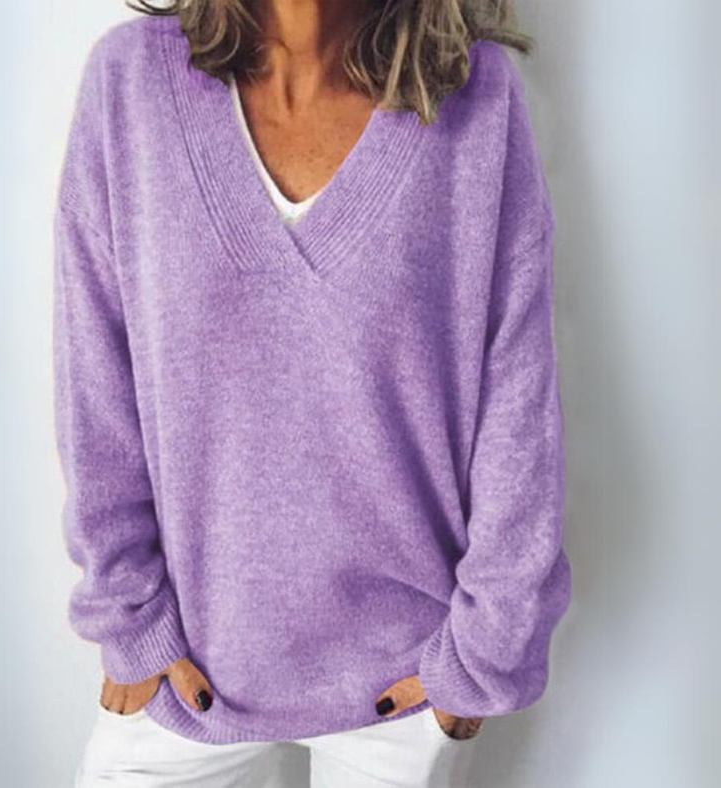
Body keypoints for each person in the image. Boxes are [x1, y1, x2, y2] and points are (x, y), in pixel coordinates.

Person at [52, 1, 572, 785]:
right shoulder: (128, 86)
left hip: (407, 683)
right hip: (181, 670)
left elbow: (518, 401)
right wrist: (130, 620)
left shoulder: (475, 99)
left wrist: (484, 652)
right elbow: (94, 380)